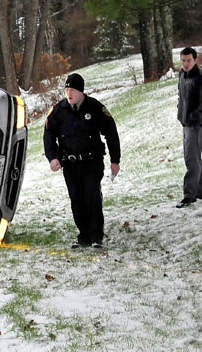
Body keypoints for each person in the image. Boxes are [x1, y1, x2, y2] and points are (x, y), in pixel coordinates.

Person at [43, 73, 121, 249]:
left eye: (72, 90)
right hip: (70, 164)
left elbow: (111, 132)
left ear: (81, 91)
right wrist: (52, 157)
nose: (69, 94)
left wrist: (115, 160)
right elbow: (48, 134)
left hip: (91, 161)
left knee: (91, 195)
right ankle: (83, 234)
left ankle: (96, 235)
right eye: (66, 90)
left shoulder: (94, 108)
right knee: (76, 198)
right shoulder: (59, 111)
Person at [176, 46, 202, 208]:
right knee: (194, 157)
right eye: (183, 60)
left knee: (191, 158)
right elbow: (181, 95)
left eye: (188, 60)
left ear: (195, 60)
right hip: (186, 123)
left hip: (198, 124)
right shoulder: (182, 74)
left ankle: (189, 195)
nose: (185, 64)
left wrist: (193, 115)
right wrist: (181, 112)